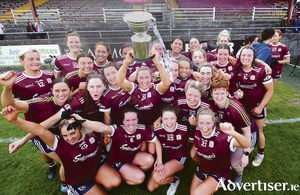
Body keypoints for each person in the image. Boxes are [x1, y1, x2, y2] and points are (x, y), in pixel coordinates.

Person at [1, 106, 121, 195]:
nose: (70, 138)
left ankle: (97, 181)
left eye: (73, 133)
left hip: (96, 168)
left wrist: (103, 143)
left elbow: (97, 143)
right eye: (65, 135)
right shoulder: (59, 144)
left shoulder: (91, 134)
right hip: (78, 181)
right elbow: (40, 130)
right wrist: (15, 120)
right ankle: (72, 190)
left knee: (115, 182)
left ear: (80, 129)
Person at [0, 73, 72, 190]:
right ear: (51, 91)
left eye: (64, 90)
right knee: (66, 160)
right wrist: (7, 87)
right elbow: (11, 105)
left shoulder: (73, 101)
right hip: (40, 135)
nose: (61, 94)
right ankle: (63, 183)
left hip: (61, 134)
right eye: (57, 90)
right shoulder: (42, 102)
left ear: (70, 90)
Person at [209, 69, 259, 186]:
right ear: (211, 93)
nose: (219, 96)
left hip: (247, 134)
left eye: (222, 93)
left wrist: (245, 154)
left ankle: (239, 173)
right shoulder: (211, 104)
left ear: (227, 92)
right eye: (216, 93)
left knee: (235, 162)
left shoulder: (236, 108)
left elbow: (247, 133)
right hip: (231, 133)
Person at [189, 108, 250, 195]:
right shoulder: (197, 131)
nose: (205, 127)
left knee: (196, 194)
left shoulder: (221, 138)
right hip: (203, 168)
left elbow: (246, 144)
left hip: (219, 173)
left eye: (208, 123)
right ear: (197, 122)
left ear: (213, 122)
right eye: (201, 123)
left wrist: (233, 133)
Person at [104, 107, 164, 186]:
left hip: (131, 156)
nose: (131, 123)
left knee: (150, 160)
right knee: (140, 178)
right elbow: (101, 128)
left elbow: (157, 142)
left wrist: (159, 161)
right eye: (127, 120)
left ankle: (131, 173)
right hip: (117, 161)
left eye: (134, 120)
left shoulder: (142, 128)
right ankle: (125, 175)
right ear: (123, 121)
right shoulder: (117, 129)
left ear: (137, 120)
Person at [236, 46, 273, 167]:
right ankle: (242, 151)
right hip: (243, 107)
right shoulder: (237, 69)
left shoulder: (261, 70)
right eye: (243, 55)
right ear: (240, 57)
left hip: (257, 106)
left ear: (253, 58)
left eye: (249, 55)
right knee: (243, 131)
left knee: (259, 131)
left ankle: (260, 154)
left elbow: (270, 91)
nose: (245, 58)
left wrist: (260, 107)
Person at [116, 49, 171, 130]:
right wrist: (127, 62)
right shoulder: (134, 88)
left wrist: (157, 63)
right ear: (137, 79)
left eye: (147, 77)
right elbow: (119, 81)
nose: (144, 81)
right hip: (138, 125)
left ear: (151, 78)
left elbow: (167, 83)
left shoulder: (155, 89)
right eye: (141, 78)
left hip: (155, 124)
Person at [148, 105, 189, 195]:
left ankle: (175, 180)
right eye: (165, 119)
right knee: (151, 187)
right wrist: (159, 160)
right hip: (164, 157)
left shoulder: (184, 129)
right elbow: (144, 131)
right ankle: (169, 175)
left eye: (172, 118)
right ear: (161, 118)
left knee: (158, 178)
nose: (169, 122)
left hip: (178, 157)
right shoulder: (157, 128)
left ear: (176, 118)